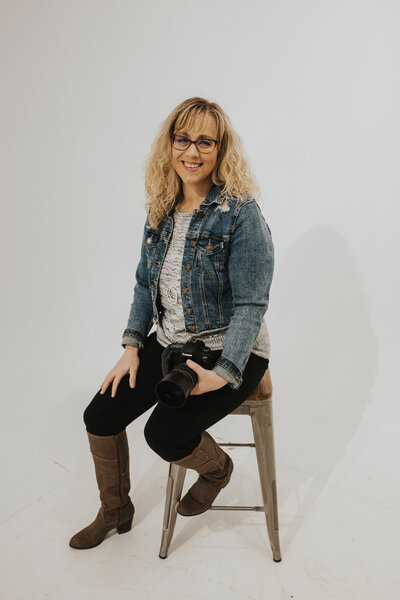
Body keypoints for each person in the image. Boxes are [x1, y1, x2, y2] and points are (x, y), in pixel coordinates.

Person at [69, 96, 274, 550]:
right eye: (183, 139)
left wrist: (221, 376)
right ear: (170, 144)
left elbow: (250, 306)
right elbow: (145, 285)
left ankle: (218, 469)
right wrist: (131, 347)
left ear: (222, 150)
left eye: (206, 141)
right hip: (171, 343)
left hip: (233, 350)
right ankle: (116, 510)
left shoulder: (241, 214)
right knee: (99, 416)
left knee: (163, 433)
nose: (192, 152)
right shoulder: (161, 209)